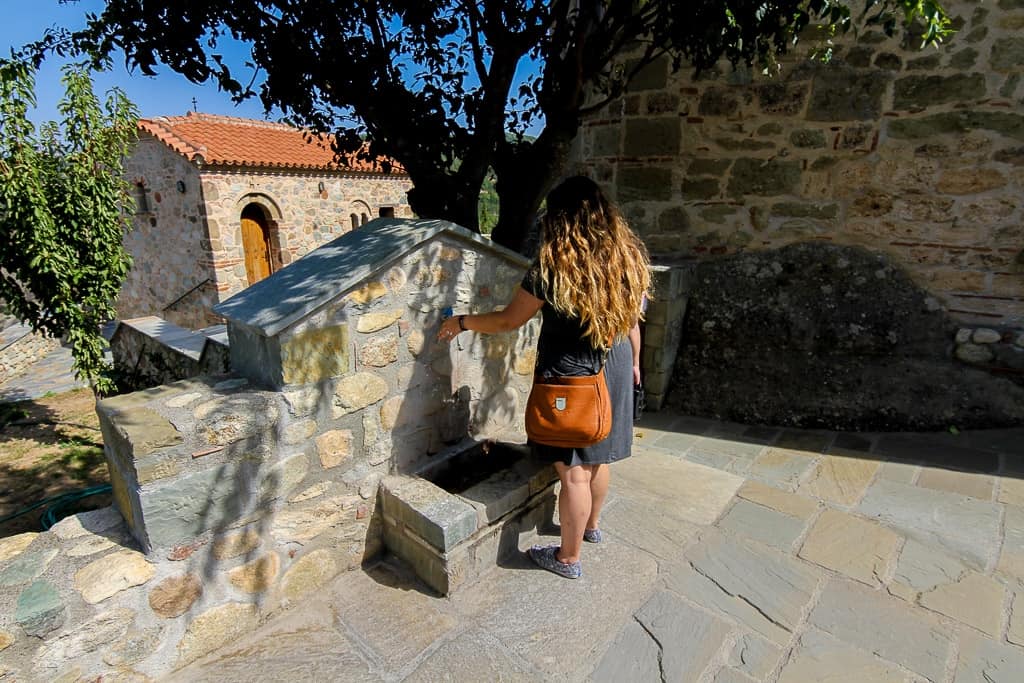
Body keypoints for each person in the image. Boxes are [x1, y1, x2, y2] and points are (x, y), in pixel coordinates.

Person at [436, 175, 651, 579]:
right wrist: (636, 363)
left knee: (573, 470)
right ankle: (591, 528)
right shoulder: (628, 260)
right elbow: (634, 322)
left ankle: (567, 558)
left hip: (575, 377)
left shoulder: (554, 269)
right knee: (599, 457)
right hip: (618, 365)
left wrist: (462, 322)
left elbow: (506, 320)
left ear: (560, 219)